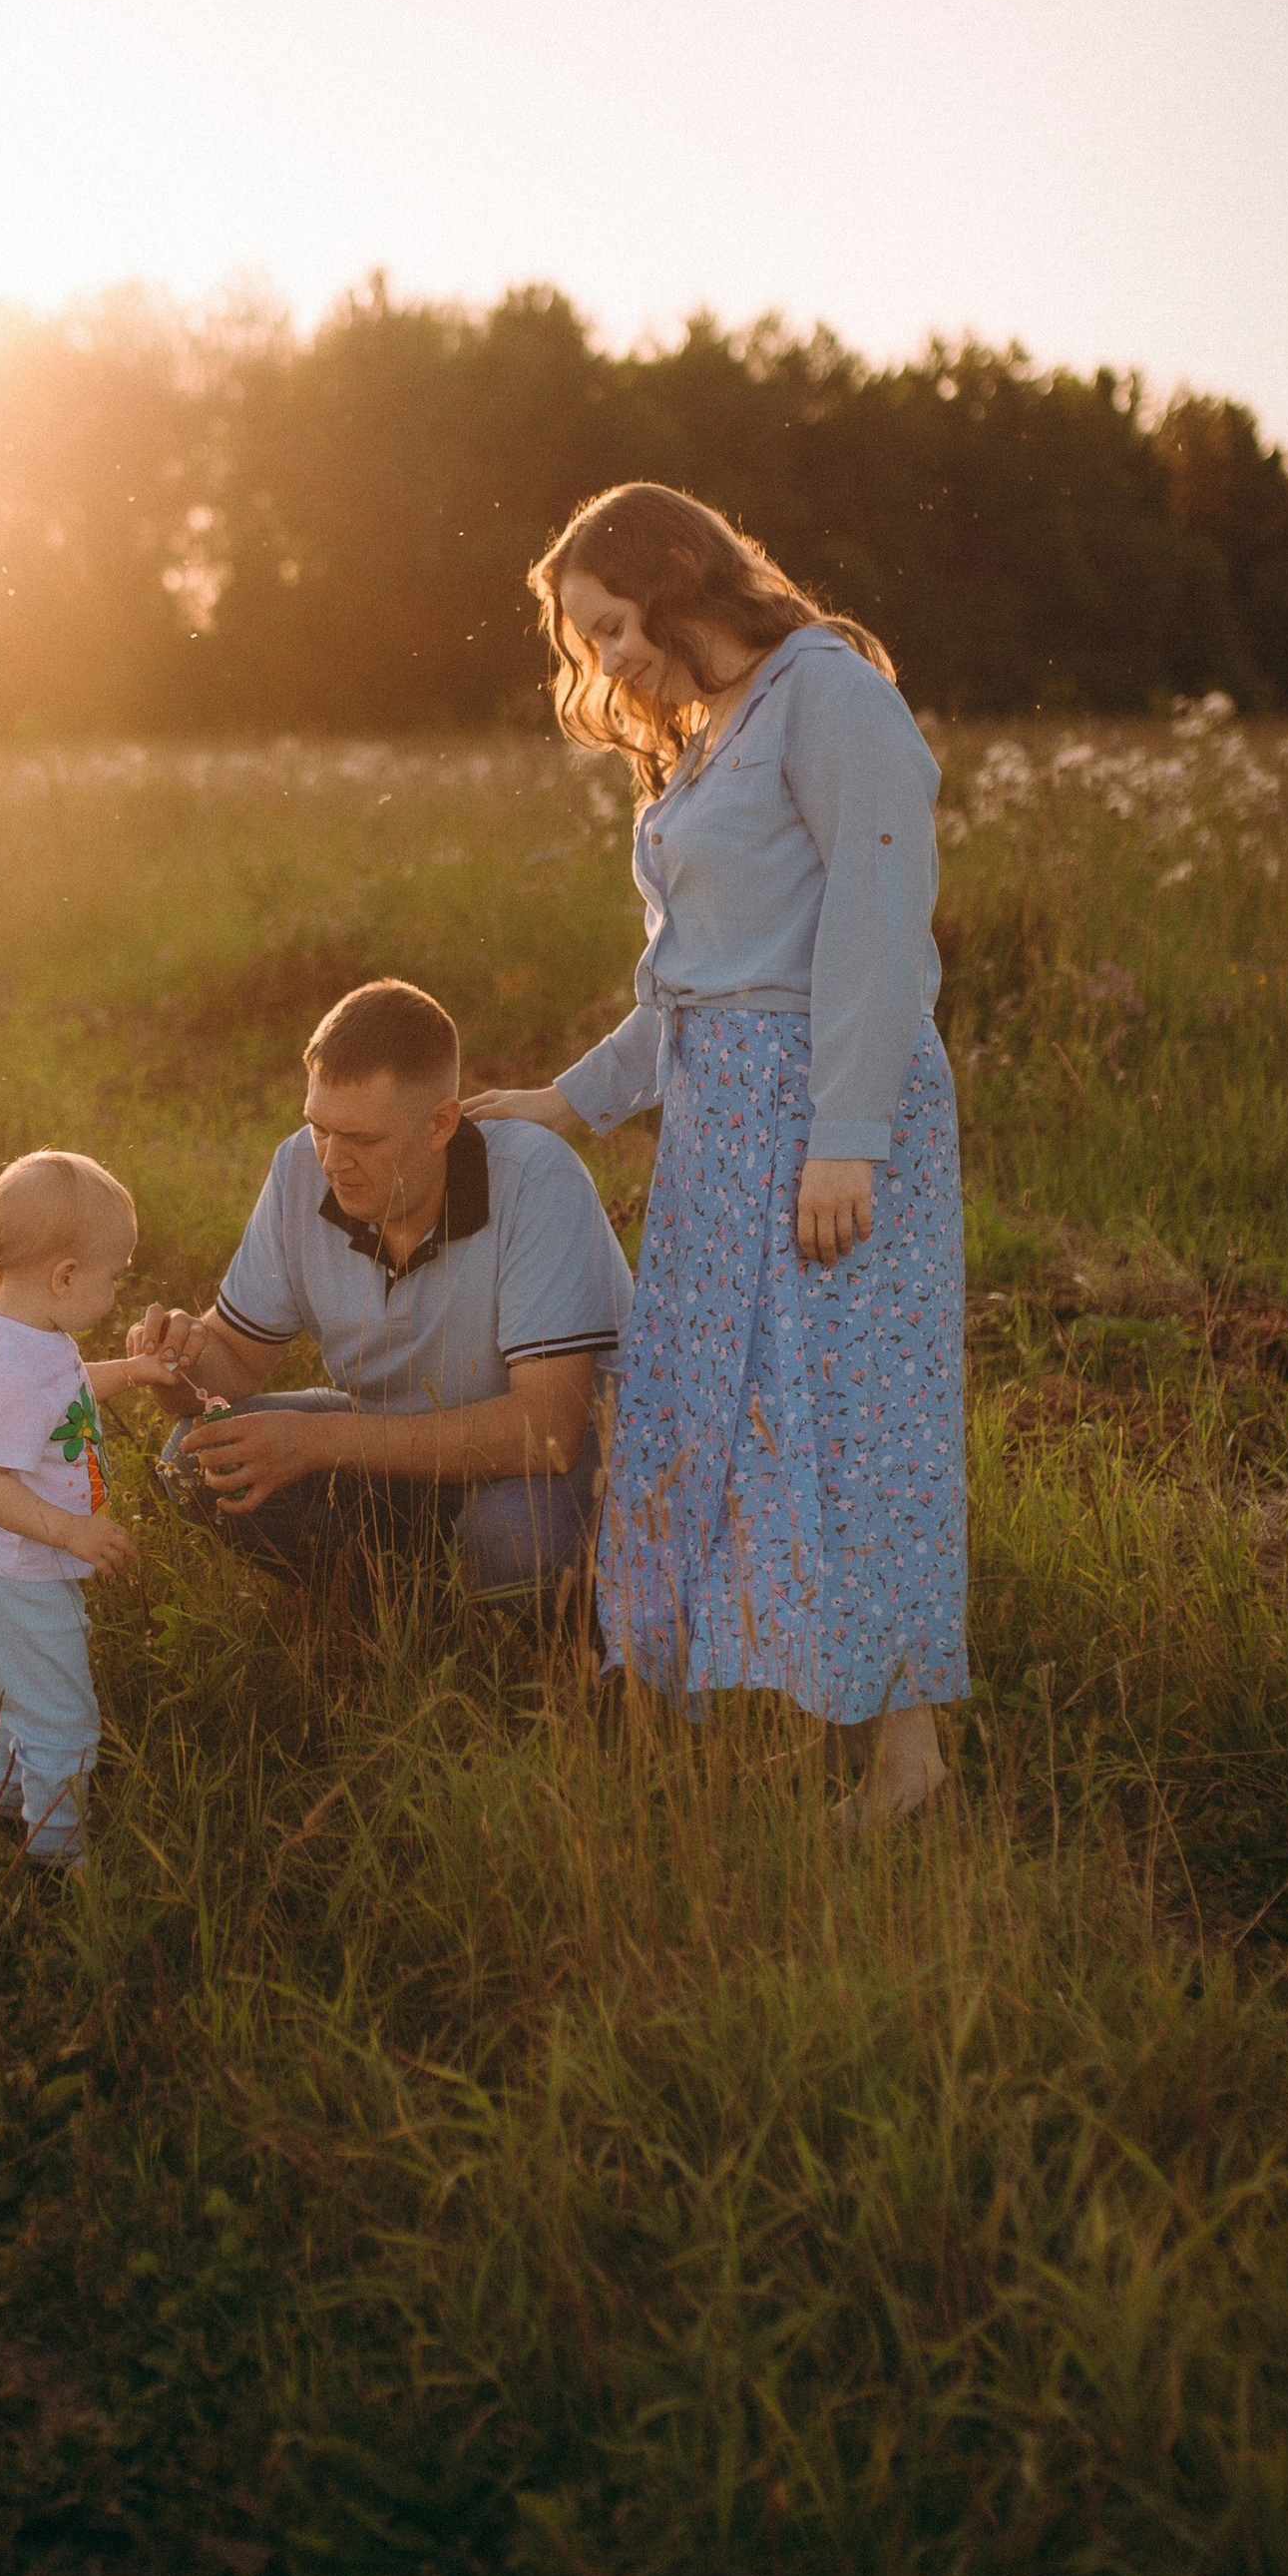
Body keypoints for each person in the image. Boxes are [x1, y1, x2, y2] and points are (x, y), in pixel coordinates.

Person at [466, 484, 966, 1821]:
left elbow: (877, 916)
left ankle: (908, 1756)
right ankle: (682, 1702)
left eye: (614, 624)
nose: (608, 661)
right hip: (718, 1128)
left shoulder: (827, 693)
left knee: (854, 1419)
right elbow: (688, 984)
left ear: (681, 580)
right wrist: (568, 1102)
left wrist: (847, 1139)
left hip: (827, 1114)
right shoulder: (706, 732)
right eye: (588, 640)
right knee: (702, 1412)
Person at [127, 977, 633, 1608]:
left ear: (440, 1124)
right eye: (319, 1127)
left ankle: (524, 1640)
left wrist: (319, 1442)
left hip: (558, 1467)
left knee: (512, 1540)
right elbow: (234, 1360)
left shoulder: (536, 1178)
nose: (332, 1160)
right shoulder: (300, 1170)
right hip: (394, 1443)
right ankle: (393, 1612)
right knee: (198, 1457)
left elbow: (547, 1432)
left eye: (362, 1139)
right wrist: (173, 1359)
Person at [0, 1150, 185, 1868]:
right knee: (64, 1727)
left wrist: (133, 1372)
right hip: (18, 1583)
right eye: (115, 1278)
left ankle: (3, 1810)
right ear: (66, 1277)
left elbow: (68, 1389)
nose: (117, 1294)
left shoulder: (29, 1333)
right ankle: (56, 1867)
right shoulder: (14, 1368)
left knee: (20, 1704)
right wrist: (69, 1529)